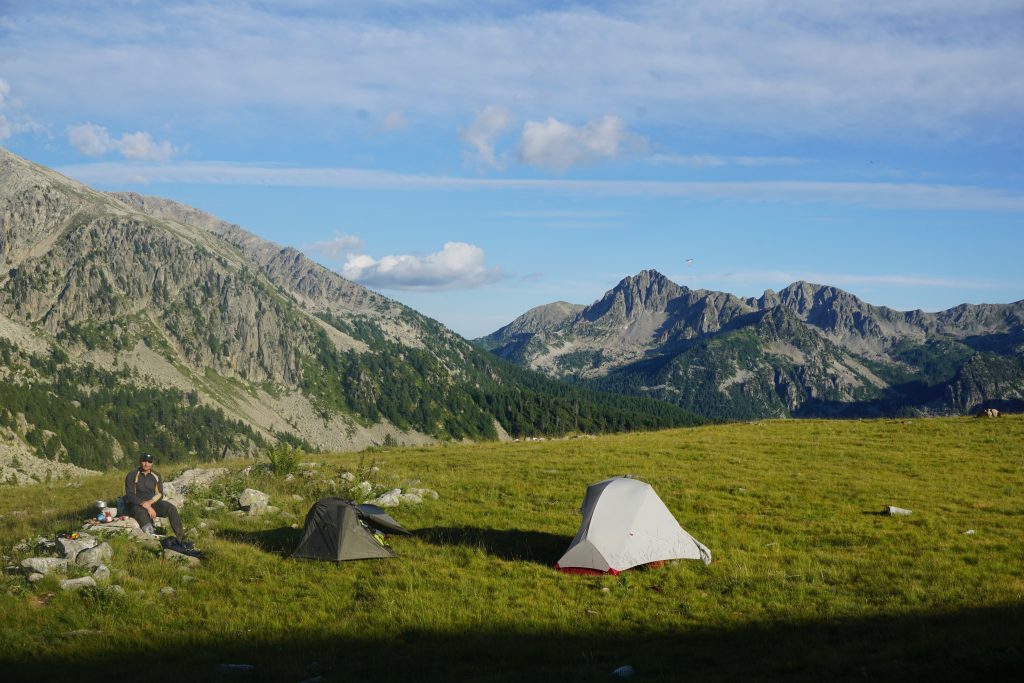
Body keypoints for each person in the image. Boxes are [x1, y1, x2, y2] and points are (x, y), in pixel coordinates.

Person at [124, 452, 184, 538]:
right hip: (137, 505)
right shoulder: (132, 475)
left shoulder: (156, 476)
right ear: (140, 461)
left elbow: (160, 494)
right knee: (142, 515)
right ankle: (152, 538)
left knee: (171, 508)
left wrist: (150, 503)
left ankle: (181, 537)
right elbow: (130, 495)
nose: (146, 464)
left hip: (152, 503)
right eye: (144, 461)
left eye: (149, 462)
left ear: (152, 463)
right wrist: (147, 506)